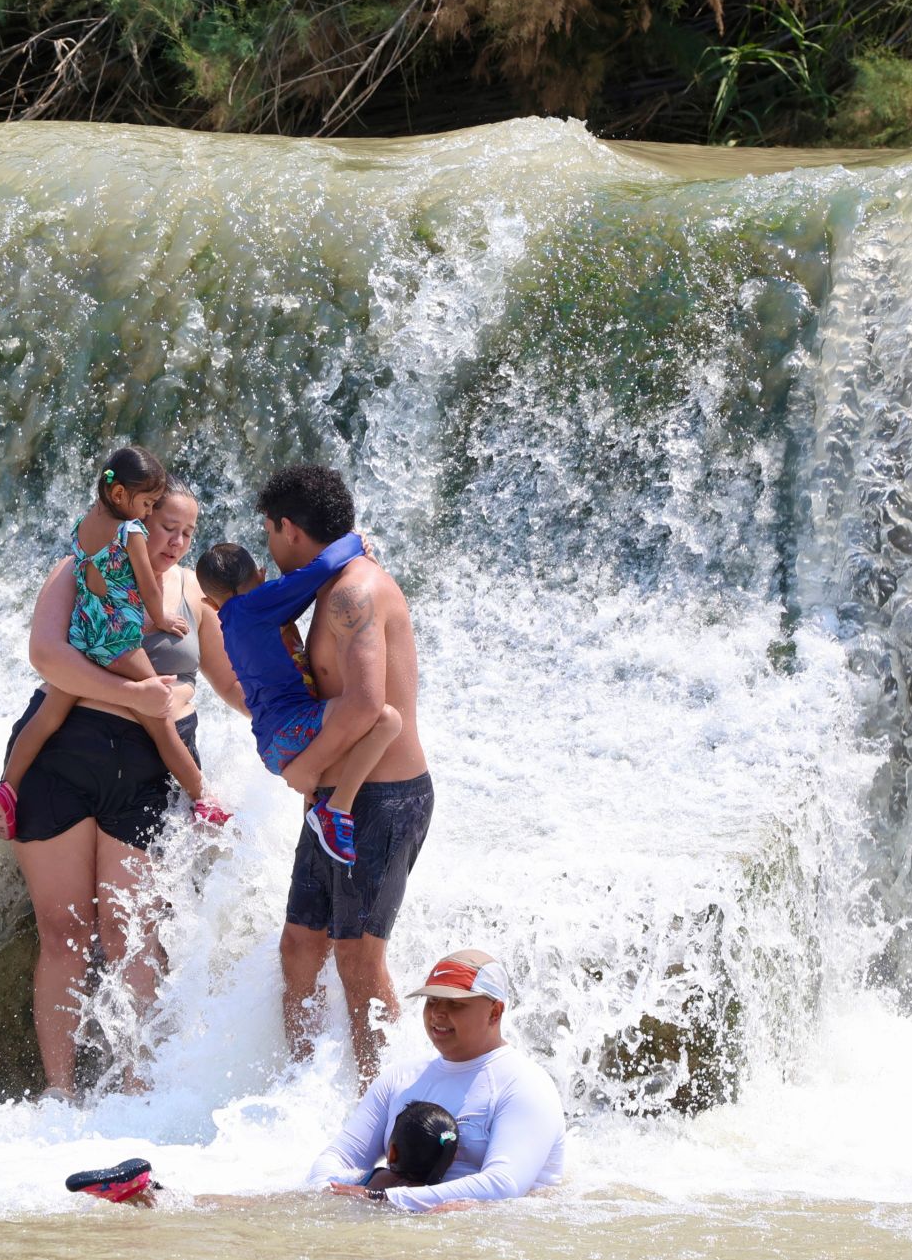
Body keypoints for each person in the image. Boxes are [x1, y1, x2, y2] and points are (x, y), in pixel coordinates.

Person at [7, 478, 248, 1098]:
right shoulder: (81, 568)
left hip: (150, 767)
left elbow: (229, 680)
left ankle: (139, 1089)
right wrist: (137, 697)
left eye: (189, 532)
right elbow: (47, 655)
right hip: (67, 756)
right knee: (65, 932)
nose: (177, 541)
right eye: (168, 526)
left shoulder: (195, 588)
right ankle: (60, 1094)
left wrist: (301, 719)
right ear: (140, 518)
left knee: (129, 931)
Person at [260, 465, 433, 1086]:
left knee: (361, 963)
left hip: (383, 801)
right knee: (300, 950)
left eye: (269, 533)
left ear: (288, 528)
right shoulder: (334, 583)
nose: (269, 547)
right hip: (335, 799)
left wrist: (302, 767)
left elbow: (365, 704)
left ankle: (382, 1111)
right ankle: (300, 1100)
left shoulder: (354, 593)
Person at [0, 446, 223, 839]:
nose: (147, 514)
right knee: (160, 718)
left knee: (48, 715)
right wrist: (162, 618)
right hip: (118, 640)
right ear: (120, 496)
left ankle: (7, 787)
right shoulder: (130, 532)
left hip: (84, 634)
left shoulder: (83, 525)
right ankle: (204, 798)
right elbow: (147, 587)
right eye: (148, 506)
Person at [194, 540, 402, 865]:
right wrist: (354, 542)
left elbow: (301, 597)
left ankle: (316, 803)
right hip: (292, 728)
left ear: (208, 602)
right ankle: (336, 810)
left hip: (274, 744)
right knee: (386, 720)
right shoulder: (255, 605)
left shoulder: (233, 622)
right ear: (261, 577)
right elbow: (317, 571)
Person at [311, 949, 567, 1212]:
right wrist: (326, 1192)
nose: (438, 1013)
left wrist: (385, 1199)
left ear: (494, 1012)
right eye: (432, 1001)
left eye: (455, 1004)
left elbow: (504, 1186)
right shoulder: (399, 1077)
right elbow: (338, 1157)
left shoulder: (526, 1083)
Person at [63, 1102, 458, 1206]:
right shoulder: (435, 1199)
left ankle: (147, 1189)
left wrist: (359, 1191)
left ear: (390, 1151)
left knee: (208, 1204)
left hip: (307, 1205)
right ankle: (144, 1192)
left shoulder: (375, 1183)